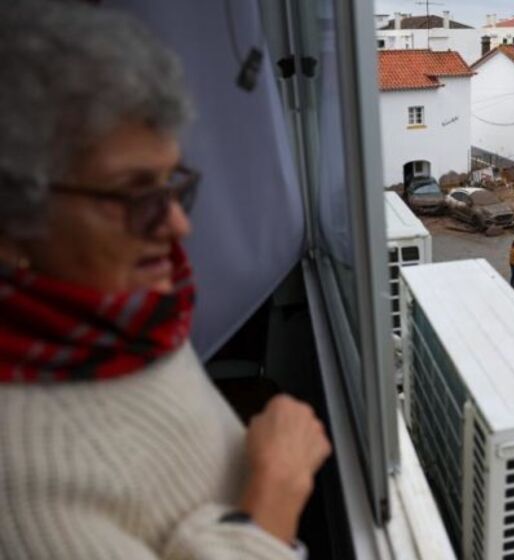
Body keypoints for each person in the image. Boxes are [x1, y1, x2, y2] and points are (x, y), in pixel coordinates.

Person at [0, 2, 330, 558]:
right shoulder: (23, 482)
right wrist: (276, 489)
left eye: (171, 182)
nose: (178, 224)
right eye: (133, 193)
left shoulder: (114, 315)